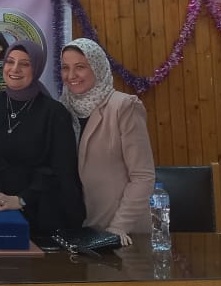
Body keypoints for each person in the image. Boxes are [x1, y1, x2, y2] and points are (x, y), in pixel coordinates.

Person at [0, 40, 85, 234]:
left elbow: (61, 171)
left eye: (25, 64)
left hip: (35, 216)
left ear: (36, 69)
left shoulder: (54, 113)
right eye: (10, 61)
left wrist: (20, 200)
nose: (15, 69)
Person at [60, 38, 154, 244]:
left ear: (97, 67)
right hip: (78, 229)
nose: (71, 75)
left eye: (80, 67)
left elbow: (142, 176)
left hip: (122, 232)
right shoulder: (62, 109)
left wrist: (118, 228)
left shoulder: (124, 107)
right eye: (65, 68)